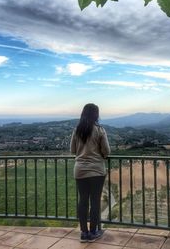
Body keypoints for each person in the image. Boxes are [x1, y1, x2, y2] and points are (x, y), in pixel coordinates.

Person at [70, 103, 110, 243]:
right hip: (97, 171)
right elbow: (106, 151)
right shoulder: (100, 130)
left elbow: (73, 150)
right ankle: (93, 232)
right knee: (95, 201)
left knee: (83, 201)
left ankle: (83, 232)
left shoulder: (77, 130)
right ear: (96, 115)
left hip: (80, 170)